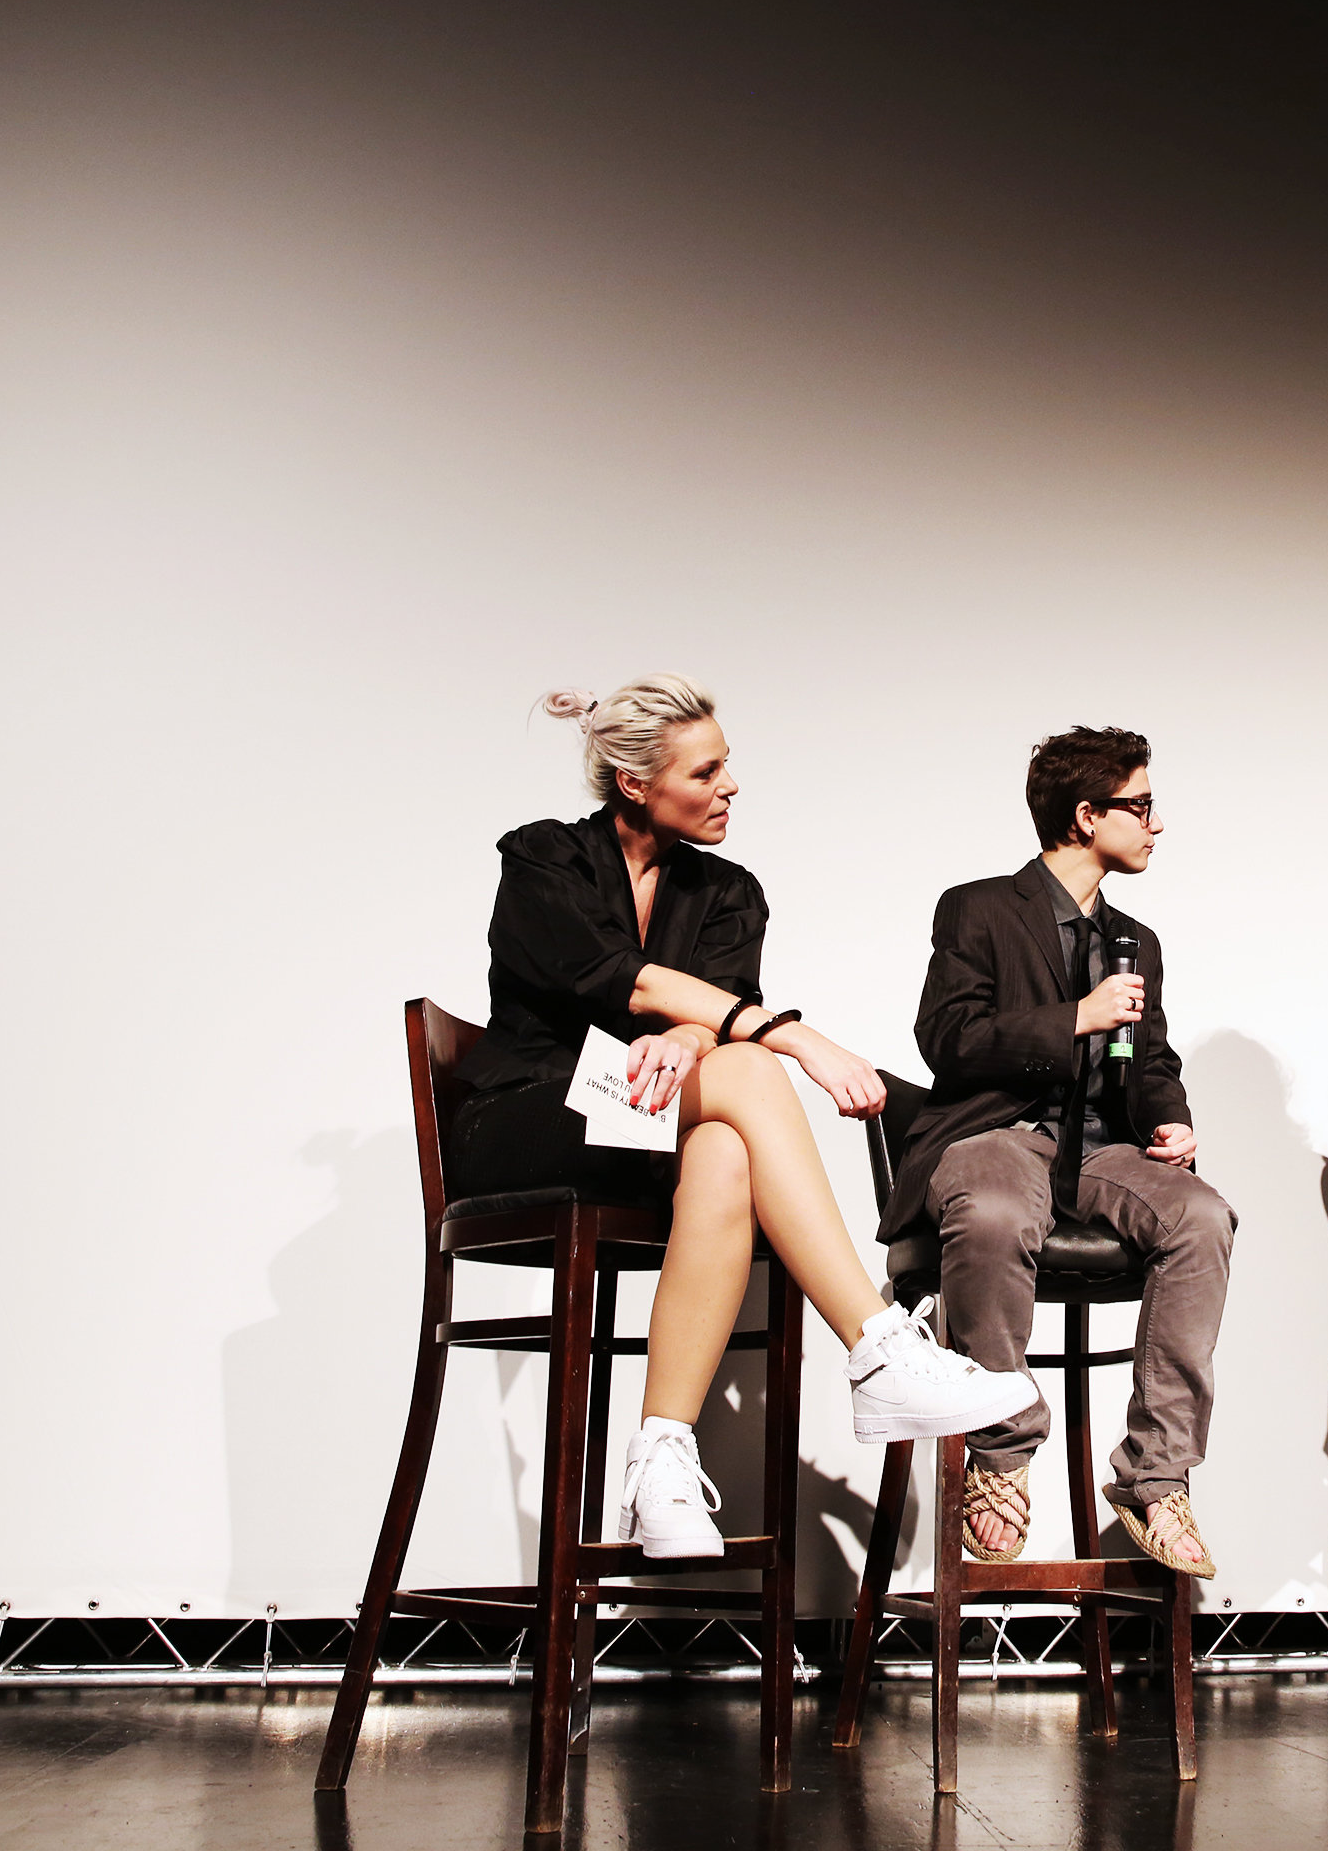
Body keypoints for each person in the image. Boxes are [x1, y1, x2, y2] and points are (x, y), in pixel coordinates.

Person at [447, 675, 1036, 1559]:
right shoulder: (543, 859)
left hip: (649, 1122)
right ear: (637, 784)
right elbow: (623, 981)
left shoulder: (728, 892)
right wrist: (795, 1039)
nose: (730, 787)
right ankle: (876, 1346)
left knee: (724, 1148)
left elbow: (704, 1006)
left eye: (729, 767)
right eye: (707, 771)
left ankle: (660, 1461)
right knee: (754, 1066)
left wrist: (692, 1039)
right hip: (532, 1114)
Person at [887, 726, 1236, 1578]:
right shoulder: (977, 908)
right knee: (998, 1212)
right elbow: (949, 1040)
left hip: (1098, 1149)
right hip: (993, 1133)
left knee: (1203, 1218)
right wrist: (1072, 1018)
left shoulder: (1134, 940)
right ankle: (1001, 1453)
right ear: (1086, 816)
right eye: (1142, 806)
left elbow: (1150, 1061)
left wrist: (1172, 1119)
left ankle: (1156, 1476)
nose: (1157, 824)